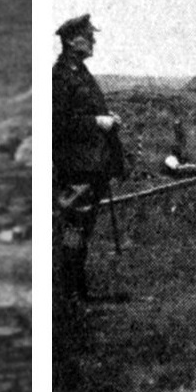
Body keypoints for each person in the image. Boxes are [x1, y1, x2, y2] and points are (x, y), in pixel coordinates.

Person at [51, 15, 123, 299]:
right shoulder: (61, 77)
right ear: (70, 41)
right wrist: (97, 122)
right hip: (76, 167)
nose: (92, 41)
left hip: (90, 165)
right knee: (74, 228)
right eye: (87, 36)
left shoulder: (79, 73)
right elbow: (57, 124)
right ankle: (71, 294)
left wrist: (106, 119)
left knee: (81, 227)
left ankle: (77, 292)